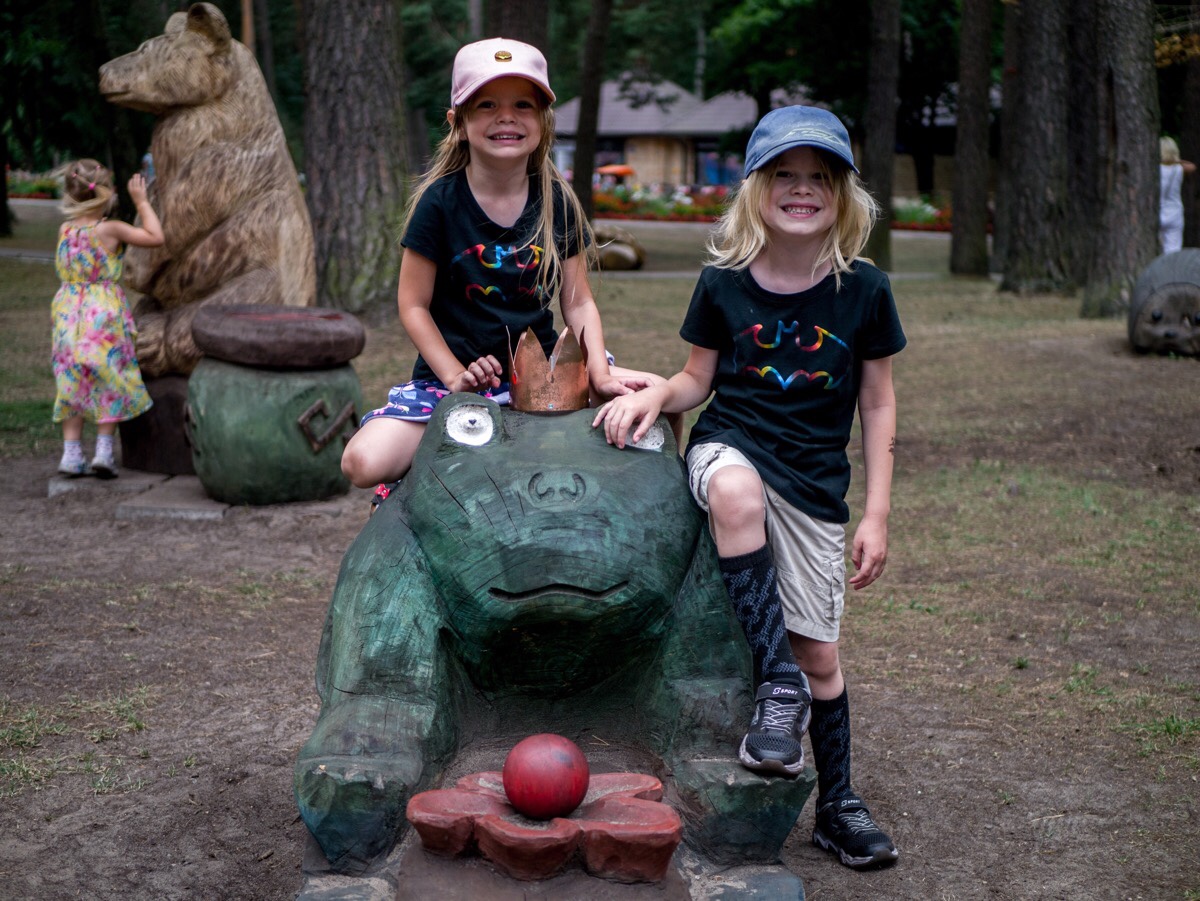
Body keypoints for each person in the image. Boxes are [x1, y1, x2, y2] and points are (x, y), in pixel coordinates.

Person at [593, 106, 906, 870]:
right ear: (756, 191)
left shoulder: (865, 290)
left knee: (820, 656)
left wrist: (875, 513)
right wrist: (653, 394)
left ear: (842, 194)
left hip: (814, 485)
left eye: (819, 177)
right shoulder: (722, 283)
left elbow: (877, 402)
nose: (801, 189)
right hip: (731, 446)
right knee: (735, 493)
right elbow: (696, 379)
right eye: (784, 175)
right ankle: (776, 687)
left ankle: (838, 804)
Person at [341, 37, 654, 497]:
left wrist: (599, 374)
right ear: (458, 123)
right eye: (486, 104)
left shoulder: (557, 200)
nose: (506, 117)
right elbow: (412, 306)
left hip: (543, 379)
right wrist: (455, 378)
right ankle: (425, 480)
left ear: (543, 121)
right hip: (453, 381)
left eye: (523, 105)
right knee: (363, 461)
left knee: (657, 403)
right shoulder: (439, 204)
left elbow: (579, 302)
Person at [52, 160, 164, 478]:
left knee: (71, 382)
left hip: (68, 314)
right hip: (102, 315)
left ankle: (71, 454)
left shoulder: (65, 230)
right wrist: (141, 201)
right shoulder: (110, 229)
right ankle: (103, 452)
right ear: (107, 193)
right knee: (109, 379)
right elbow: (155, 236)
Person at [1159, 136, 1196, 254]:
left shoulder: (1155, 169)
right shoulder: (1179, 168)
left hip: (1158, 212)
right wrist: (1175, 159)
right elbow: (1192, 166)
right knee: (1173, 250)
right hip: (1175, 213)